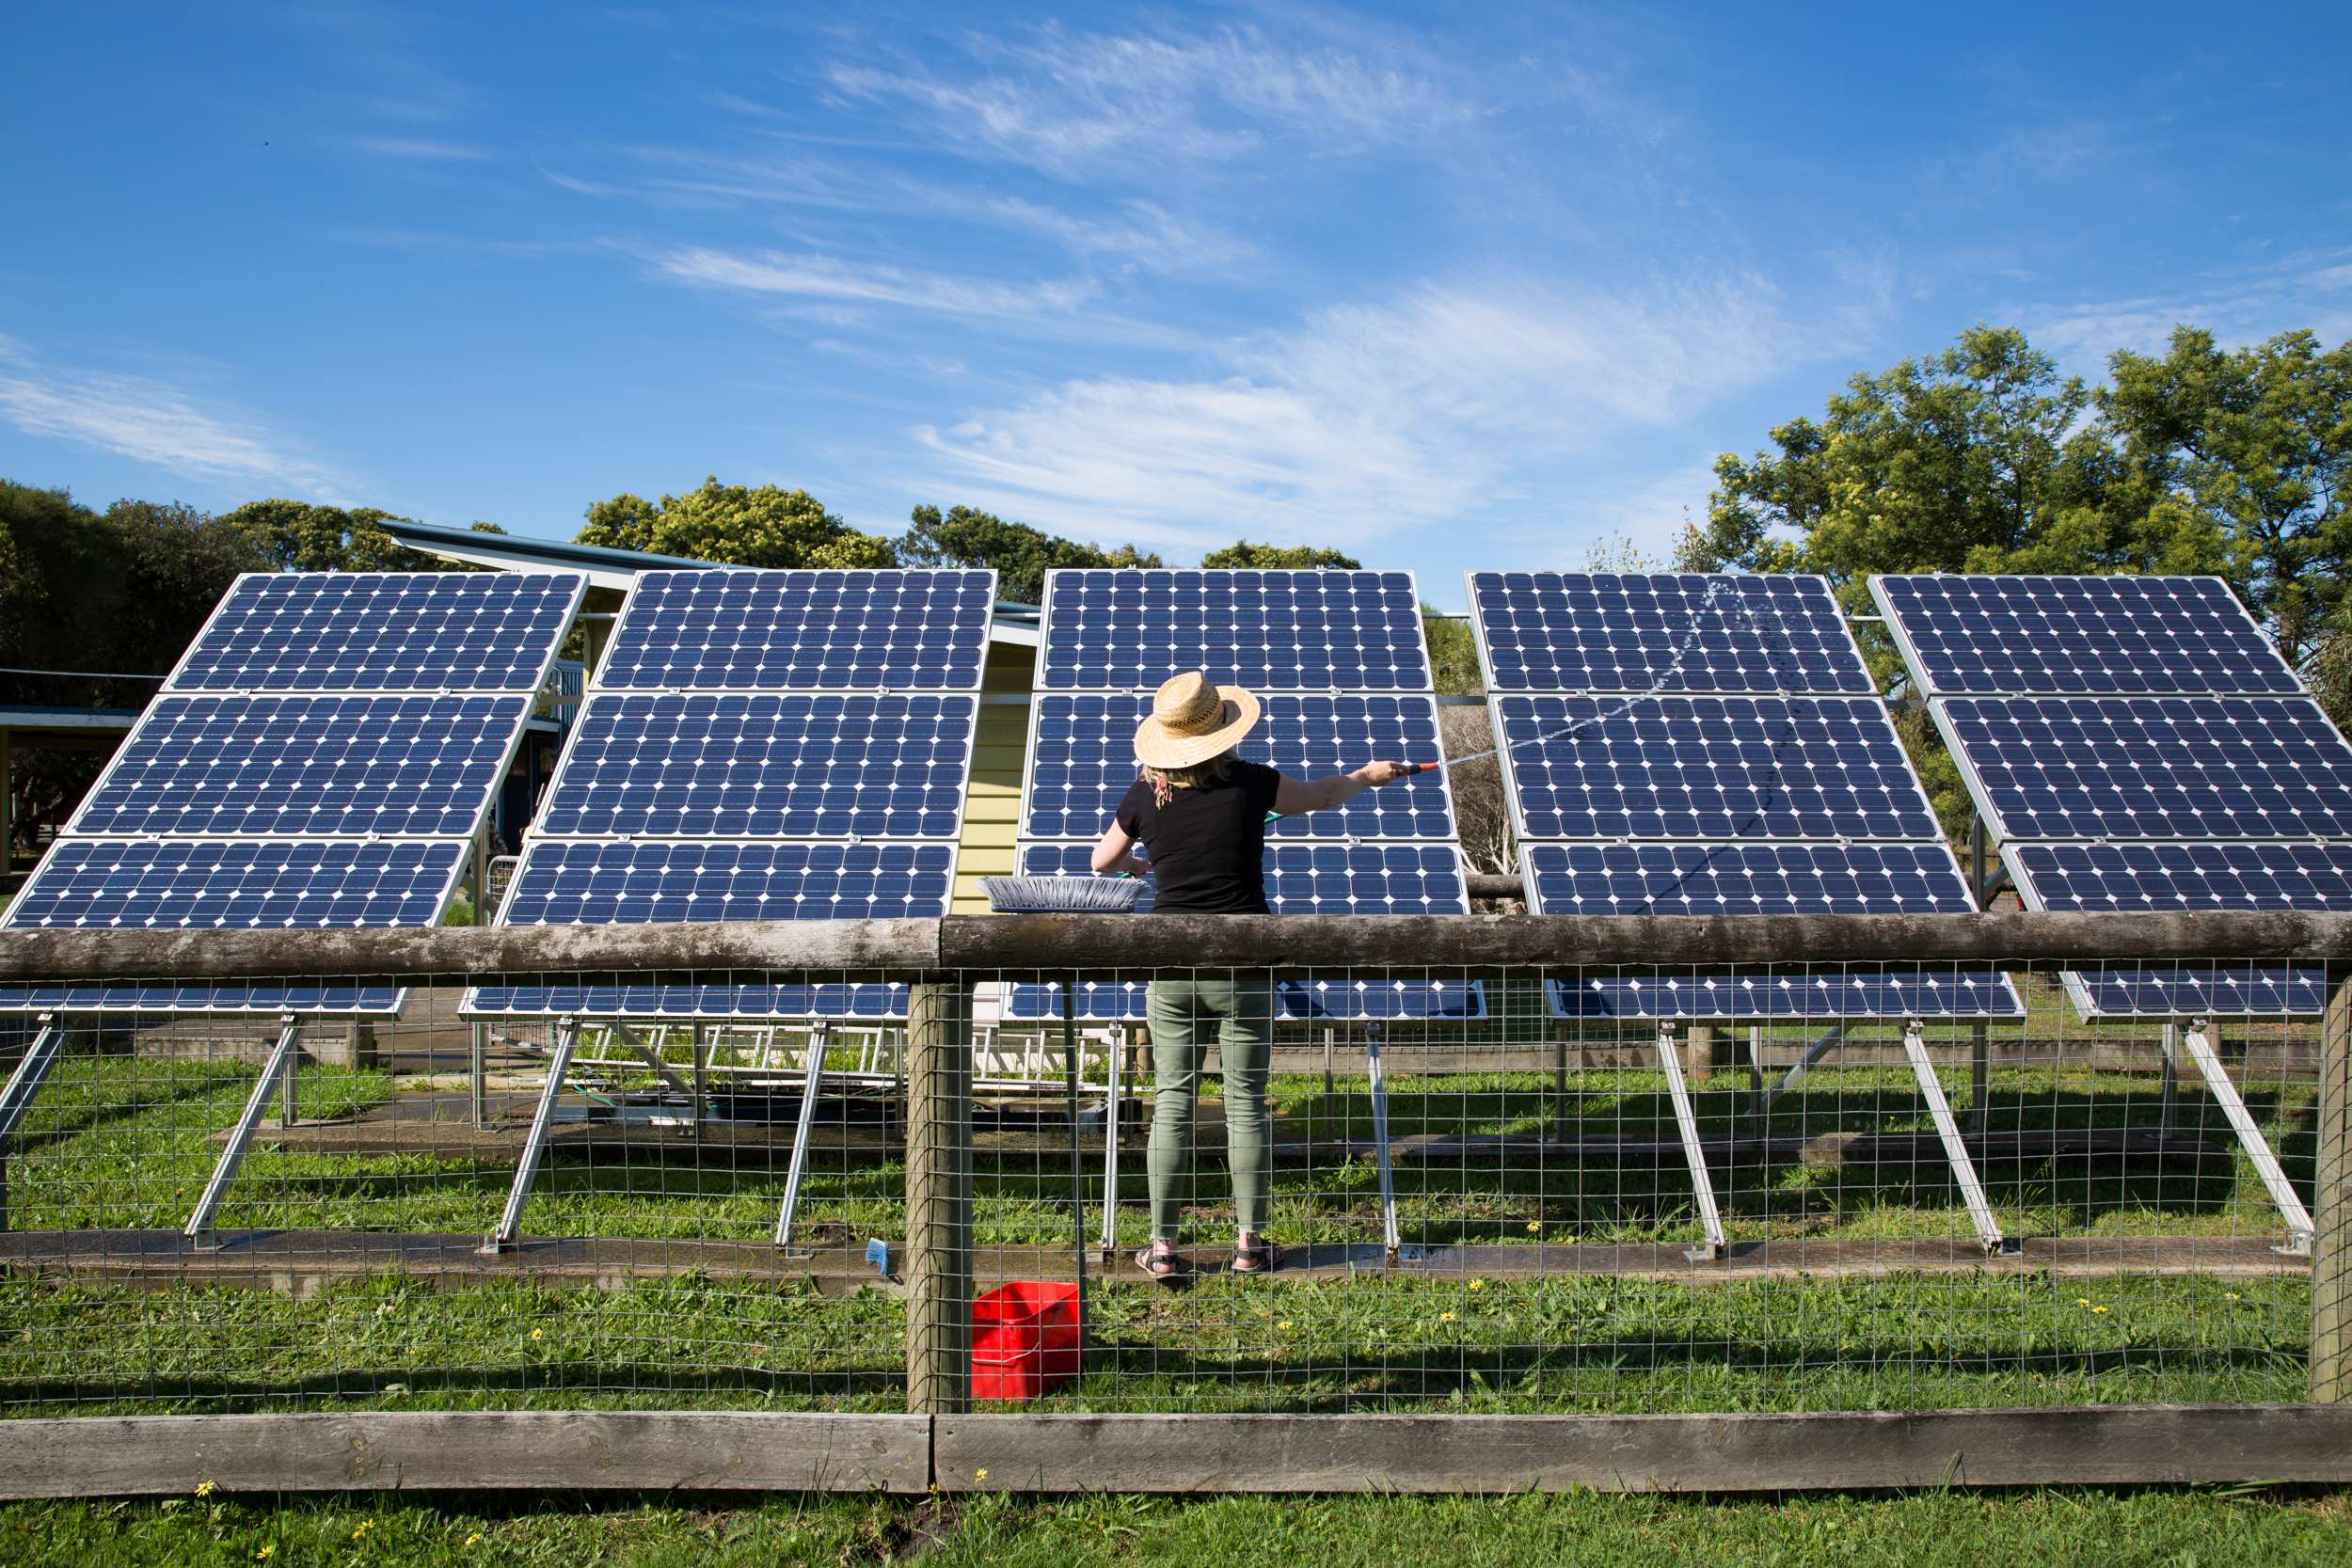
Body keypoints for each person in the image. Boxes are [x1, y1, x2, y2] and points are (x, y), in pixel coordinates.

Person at [1090, 671, 1406, 1280]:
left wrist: (1139, 865)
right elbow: (1320, 796)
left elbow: (1101, 860)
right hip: (1244, 962)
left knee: (1172, 1102)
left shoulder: (1144, 793)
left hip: (1172, 965)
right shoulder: (1252, 782)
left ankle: (1162, 1247)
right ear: (1221, 731)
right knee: (1245, 1103)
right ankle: (1249, 1245)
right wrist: (1367, 776)